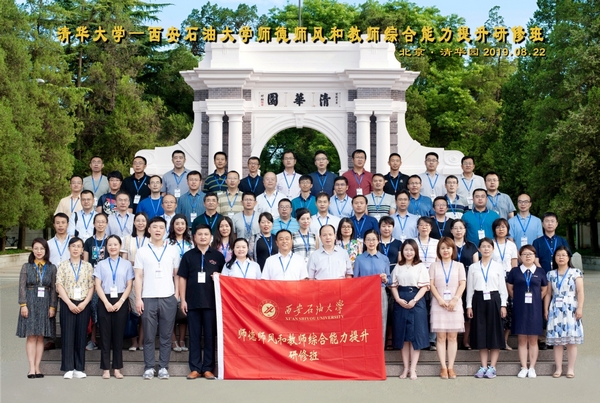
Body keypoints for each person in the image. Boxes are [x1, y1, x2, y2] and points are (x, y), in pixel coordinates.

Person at [134, 217, 181, 380]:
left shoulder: (172, 250)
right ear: (149, 230)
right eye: (155, 227)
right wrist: (138, 298)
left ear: (165, 230)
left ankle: (163, 367)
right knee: (148, 335)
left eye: (161, 227)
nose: (158, 230)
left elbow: (177, 274)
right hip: (148, 297)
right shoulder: (142, 251)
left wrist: (176, 294)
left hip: (168, 297)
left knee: (166, 336)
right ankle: (148, 367)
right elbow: (138, 276)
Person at [179, 224, 225, 380]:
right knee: (194, 336)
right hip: (192, 302)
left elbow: (225, 278)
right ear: (194, 237)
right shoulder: (188, 256)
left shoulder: (218, 256)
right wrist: (183, 300)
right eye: (200, 234)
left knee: (210, 337)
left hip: (212, 302)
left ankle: (208, 368)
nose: (203, 237)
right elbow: (183, 278)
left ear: (211, 237)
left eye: (206, 234)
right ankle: (195, 368)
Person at [466, 238, 508, 379]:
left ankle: (492, 367)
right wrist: (469, 306)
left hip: (494, 298)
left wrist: (503, 305)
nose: (486, 249)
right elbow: (470, 288)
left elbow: (502, 287)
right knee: (481, 333)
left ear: (492, 249)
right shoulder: (473, 267)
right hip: (478, 299)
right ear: (478, 249)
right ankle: (483, 366)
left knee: (494, 333)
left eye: (488, 246)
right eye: (483, 246)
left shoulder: (498, 266)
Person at [94, 235, 134, 379]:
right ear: (106, 247)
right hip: (104, 299)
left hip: (120, 300)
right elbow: (97, 285)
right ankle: (105, 368)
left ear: (120, 246)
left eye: (115, 244)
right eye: (110, 244)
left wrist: (120, 301)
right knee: (105, 336)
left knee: (118, 336)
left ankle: (117, 368)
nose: (112, 247)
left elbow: (129, 285)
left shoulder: (127, 264)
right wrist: (105, 302)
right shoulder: (101, 264)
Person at [16, 238, 57, 378]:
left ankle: (38, 367)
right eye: (36, 248)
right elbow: (22, 287)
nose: (39, 251)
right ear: (32, 250)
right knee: (31, 336)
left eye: (42, 249)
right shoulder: (26, 267)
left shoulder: (52, 268)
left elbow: (53, 289)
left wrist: (53, 307)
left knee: (41, 337)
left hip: (45, 303)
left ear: (46, 250)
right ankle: (31, 368)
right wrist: (23, 305)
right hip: (30, 303)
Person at [507, 245, 548, 379]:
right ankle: (524, 367)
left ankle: (532, 367)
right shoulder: (515, 271)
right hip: (520, 308)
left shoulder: (540, 271)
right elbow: (510, 288)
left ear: (534, 256)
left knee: (533, 340)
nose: (528, 256)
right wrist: (518, 298)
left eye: (530, 254)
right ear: (520, 256)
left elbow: (544, 289)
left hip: (535, 309)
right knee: (522, 339)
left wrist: (536, 298)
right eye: (524, 254)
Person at [390, 240, 430, 380]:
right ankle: (405, 368)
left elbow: (425, 287)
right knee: (403, 336)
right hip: (400, 301)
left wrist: (414, 300)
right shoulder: (398, 267)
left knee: (415, 336)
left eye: (411, 250)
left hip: (416, 301)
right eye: (406, 250)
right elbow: (393, 285)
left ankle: (413, 369)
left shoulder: (420, 266)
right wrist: (398, 299)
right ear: (402, 251)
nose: (409, 252)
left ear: (415, 251)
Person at [56, 237, 94, 379]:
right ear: (69, 248)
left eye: (79, 246)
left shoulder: (88, 266)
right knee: (67, 335)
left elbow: (91, 286)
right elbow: (59, 285)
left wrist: (84, 303)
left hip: (84, 303)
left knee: (81, 335)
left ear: (82, 249)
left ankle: (79, 367)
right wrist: (69, 303)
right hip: (67, 303)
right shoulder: (62, 265)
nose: (76, 249)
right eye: (73, 246)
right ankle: (68, 367)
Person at [544, 246, 584, 378]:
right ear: (554, 258)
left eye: (563, 255)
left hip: (571, 307)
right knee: (557, 341)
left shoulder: (575, 272)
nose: (561, 257)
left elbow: (580, 292)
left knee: (571, 341)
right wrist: (546, 309)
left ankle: (570, 368)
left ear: (568, 257)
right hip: (555, 308)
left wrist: (580, 308)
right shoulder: (550, 274)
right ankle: (558, 368)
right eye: (558, 255)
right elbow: (548, 293)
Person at [429, 237, 466, 379]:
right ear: (438, 250)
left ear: (453, 250)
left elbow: (462, 284)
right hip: (438, 304)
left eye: (448, 248)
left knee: (452, 336)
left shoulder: (459, 265)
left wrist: (455, 299)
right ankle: (443, 367)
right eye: (443, 248)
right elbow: (431, 284)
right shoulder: (434, 266)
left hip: (454, 304)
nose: (445, 250)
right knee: (440, 337)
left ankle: (451, 366)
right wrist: (439, 299)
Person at [354, 229, 390, 344]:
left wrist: (385, 279)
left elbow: (389, 280)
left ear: (378, 241)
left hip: (380, 292)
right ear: (364, 242)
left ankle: (380, 350)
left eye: (374, 239)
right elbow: (355, 279)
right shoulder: (359, 259)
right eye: (368, 239)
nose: (371, 242)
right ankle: (366, 349)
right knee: (365, 321)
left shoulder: (384, 259)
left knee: (381, 321)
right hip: (364, 294)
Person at [122, 212, 149, 351]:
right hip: (131, 278)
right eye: (138, 220)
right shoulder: (127, 239)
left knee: (144, 312)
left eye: (143, 220)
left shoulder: (151, 239)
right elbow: (124, 261)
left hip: (148, 279)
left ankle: (141, 341)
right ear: (134, 222)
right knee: (133, 311)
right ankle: (133, 341)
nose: (140, 223)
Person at [450, 219, 479, 349]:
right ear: (451, 230)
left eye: (461, 228)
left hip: (468, 282)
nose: (458, 230)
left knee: (468, 311)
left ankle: (465, 340)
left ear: (465, 230)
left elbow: (476, 266)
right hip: (451, 282)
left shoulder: (471, 246)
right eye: (455, 228)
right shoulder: (448, 245)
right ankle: (453, 340)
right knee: (453, 310)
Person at [82, 213, 109, 351]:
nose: (100, 224)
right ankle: (92, 339)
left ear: (107, 224)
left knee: (105, 309)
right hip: (92, 280)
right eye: (98, 221)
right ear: (94, 224)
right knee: (93, 309)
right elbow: (86, 263)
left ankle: (105, 340)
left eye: (103, 221)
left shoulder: (110, 240)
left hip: (107, 281)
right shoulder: (88, 242)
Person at [491, 218, 519, 350]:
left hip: (508, 277)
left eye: (503, 227)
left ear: (507, 229)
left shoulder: (511, 245)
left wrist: (514, 280)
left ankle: (504, 341)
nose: (501, 229)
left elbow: (514, 264)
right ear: (494, 229)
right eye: (498, 227)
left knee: (509, 310)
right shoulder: (490, 244)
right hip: (493, 277)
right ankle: (493, 341)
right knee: (495, 308)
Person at [167, 214, 193, 353]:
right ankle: (173, 340)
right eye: (177, 223)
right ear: (172, 225)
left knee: (184, 309)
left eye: (182, 223)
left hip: (187, 279)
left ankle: (182, 339)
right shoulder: (167, 242)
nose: (180, 226)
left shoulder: (190, 242)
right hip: (170, 279)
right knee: (171, 309)